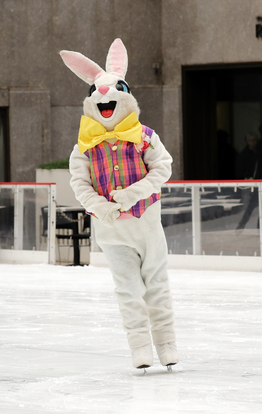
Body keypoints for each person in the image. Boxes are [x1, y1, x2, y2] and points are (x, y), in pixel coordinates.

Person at [61, 38, 178, 371]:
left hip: (146, 225)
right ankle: (140, 347)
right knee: (128, 290)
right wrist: (102, 207)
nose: (105, 99)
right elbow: (79, 183)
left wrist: (131, 195)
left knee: (156, 285)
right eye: (97, 94)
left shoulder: (144, 135)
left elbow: (163, 167)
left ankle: (167, 344)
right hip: (112, 231)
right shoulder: (84, 146)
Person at [235, 133, 259, 231]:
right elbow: (240, 170)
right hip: (248, 184)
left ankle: (244, 224)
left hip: (257, 183)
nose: (253, 142)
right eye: (250, 140)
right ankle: (242, 224)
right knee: (249, 205)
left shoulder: (259, 152)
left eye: (254, 140)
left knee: (255, 205)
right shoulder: (244, 154)